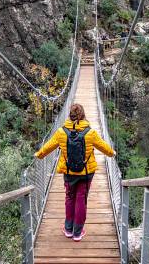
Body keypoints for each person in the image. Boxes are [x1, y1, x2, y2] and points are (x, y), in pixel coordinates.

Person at [34, 103, 116, 241]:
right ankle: (77, 232)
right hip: (86, 172)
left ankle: (68, 229)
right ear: (83, 115)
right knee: (81, 200)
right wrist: (112, 153)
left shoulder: (61, 132)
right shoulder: (91, 133)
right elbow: (103, 146)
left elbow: (49, 146)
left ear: (69, 116)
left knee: (69, 198)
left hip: (68, 171)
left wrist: (39, 154)